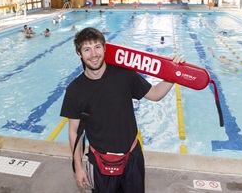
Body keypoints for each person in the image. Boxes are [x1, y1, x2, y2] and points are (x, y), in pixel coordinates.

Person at [60, 27, 185, 193]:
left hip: (132, 157)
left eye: (97, 47)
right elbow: (74, 132)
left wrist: (173, 73)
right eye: (87, 49)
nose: (94, 54)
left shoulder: (124, 75)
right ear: (79, 54)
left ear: (105, 48)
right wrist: (78, 167)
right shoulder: (75, 90)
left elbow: (155, 94)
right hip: (100, 162)